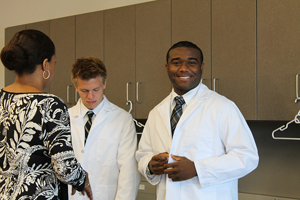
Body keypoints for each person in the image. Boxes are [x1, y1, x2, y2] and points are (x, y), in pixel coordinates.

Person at [136, 41, 259, 200]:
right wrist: (150, 166)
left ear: (201, 67)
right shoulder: (156, 113)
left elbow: (247, 157)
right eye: (176, 63)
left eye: (191, 63)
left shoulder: (223, 107)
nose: (183, 68)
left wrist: (197, 169)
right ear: (167, 68)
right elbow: (142, 155)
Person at [0, 29, 93, 200]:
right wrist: (83, 180)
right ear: (45, 65)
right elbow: (65, 168)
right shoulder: (50, 105)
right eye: (54, 62)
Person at [68, 56, 140, 200]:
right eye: (84, 90)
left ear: (104, 84)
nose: (90, 96)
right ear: (75, 87)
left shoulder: (122, 119)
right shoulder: (64, 118)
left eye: (96, 89)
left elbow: (129, 174)